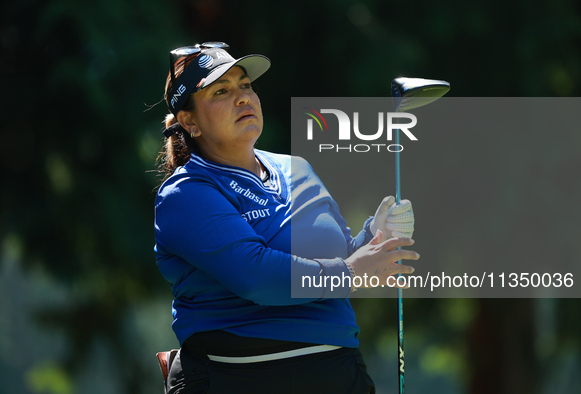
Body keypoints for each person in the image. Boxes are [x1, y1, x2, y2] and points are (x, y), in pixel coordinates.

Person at [153, 42, 419, 394]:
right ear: (190, 122)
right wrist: (353, 271)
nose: (243, 97)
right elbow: (258, 276)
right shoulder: (184, 194)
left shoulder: (298, 169)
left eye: (245, 85)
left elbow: (340, 260)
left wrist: (375, 235)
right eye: (221, 91)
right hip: (235, 378)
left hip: (338, 373)